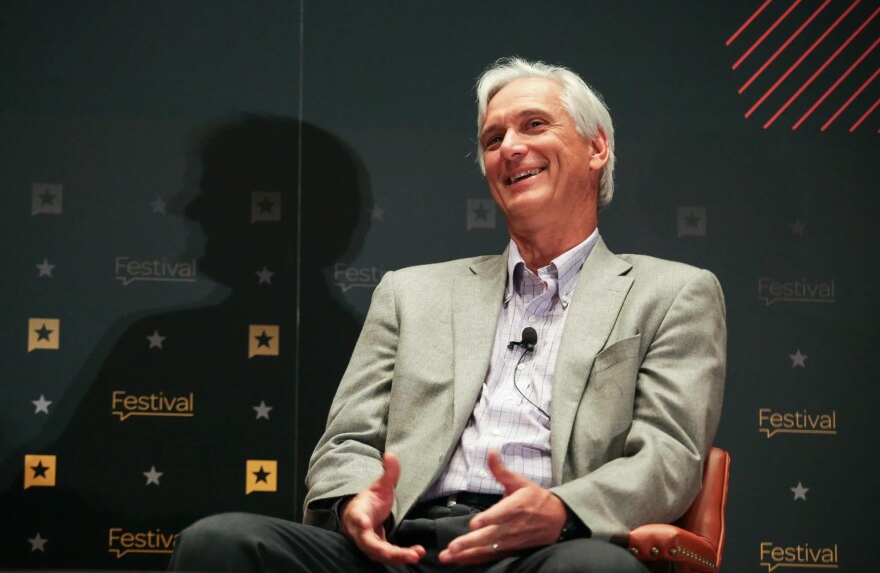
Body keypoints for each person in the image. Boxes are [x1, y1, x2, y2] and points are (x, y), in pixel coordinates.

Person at [168, 56, 726, 573]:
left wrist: (560, 508)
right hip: (401, 545)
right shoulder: (412, 293)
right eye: (493, 137)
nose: (509, 147)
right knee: (218, 543)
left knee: (595, 571)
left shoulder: (672, 293)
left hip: (545, 550)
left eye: (534, 125)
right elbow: (347, 444)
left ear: (596, 147)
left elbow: (667, 456)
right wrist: (356, 501)